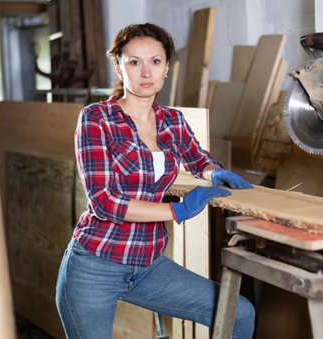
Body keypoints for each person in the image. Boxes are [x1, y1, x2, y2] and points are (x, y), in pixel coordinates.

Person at [55, 23, 255, 339]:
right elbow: (104, 202)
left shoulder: (173, 121)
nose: (146, 72)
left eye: (155, 62)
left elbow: (197, 158)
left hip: (147, 266)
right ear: (119, 68)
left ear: (166, 69)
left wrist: (214, 172)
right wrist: (175, 212)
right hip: (94, 267)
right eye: (134, 62)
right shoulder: (97, 119)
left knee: (240, 313)